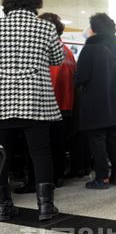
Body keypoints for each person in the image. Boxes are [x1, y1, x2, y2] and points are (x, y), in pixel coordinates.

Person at [0, 0, 63, 222]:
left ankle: (4, 206)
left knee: (2, 154)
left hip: (2, 100)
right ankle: (45, 207)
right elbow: (57, 59)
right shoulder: (45, 26)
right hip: (35, 99)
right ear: (35, 4)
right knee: (40, 152)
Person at [75, 13, 116, 189]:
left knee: (97, 139)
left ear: (94, 29)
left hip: (95, 101)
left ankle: (102, 178)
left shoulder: (89, 49)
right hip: (115, 99)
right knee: (113, 138)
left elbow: (80, 77)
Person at [40, 12, 77, 188]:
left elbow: (52, 81)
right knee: (59, 144)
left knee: (49, 146)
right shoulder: (67, 51)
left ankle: (51, 179)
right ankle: (58, 176)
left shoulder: (50, 51)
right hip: (67, 103)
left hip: (53, 104)